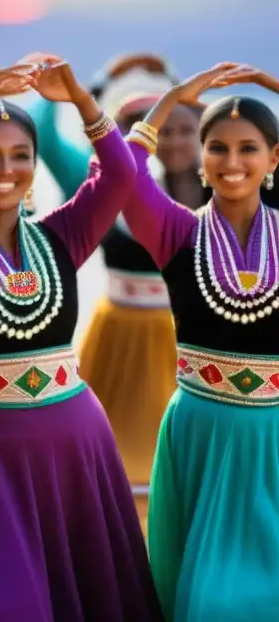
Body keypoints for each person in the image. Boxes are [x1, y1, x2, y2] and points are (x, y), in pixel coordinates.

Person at [0, 58, 160, 620]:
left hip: (76, 445)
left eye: (21, 155)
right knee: (3, 602)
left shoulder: (61, 236)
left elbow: (117, 175)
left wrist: (82, 102)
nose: (6, 168)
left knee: (90, 597)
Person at [121, 63, 279, 620]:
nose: (232, 162)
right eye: (217, 147)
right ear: (201, 158)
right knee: (204, 599)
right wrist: (172, 101)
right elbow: (121, 173)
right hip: (200, 430)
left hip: (273, 437)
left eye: (248, 148)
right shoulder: (176, 231)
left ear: (273, 159)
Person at [29, 53, 196, 511]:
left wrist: (178, 87)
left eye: (182, 128)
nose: (168, 137)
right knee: (106, 464)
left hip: (188, 341)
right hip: (118, 334)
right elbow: (43, 132)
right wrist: (96, 86)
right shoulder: (100, 185)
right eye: (146, 127)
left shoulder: (219, 188)